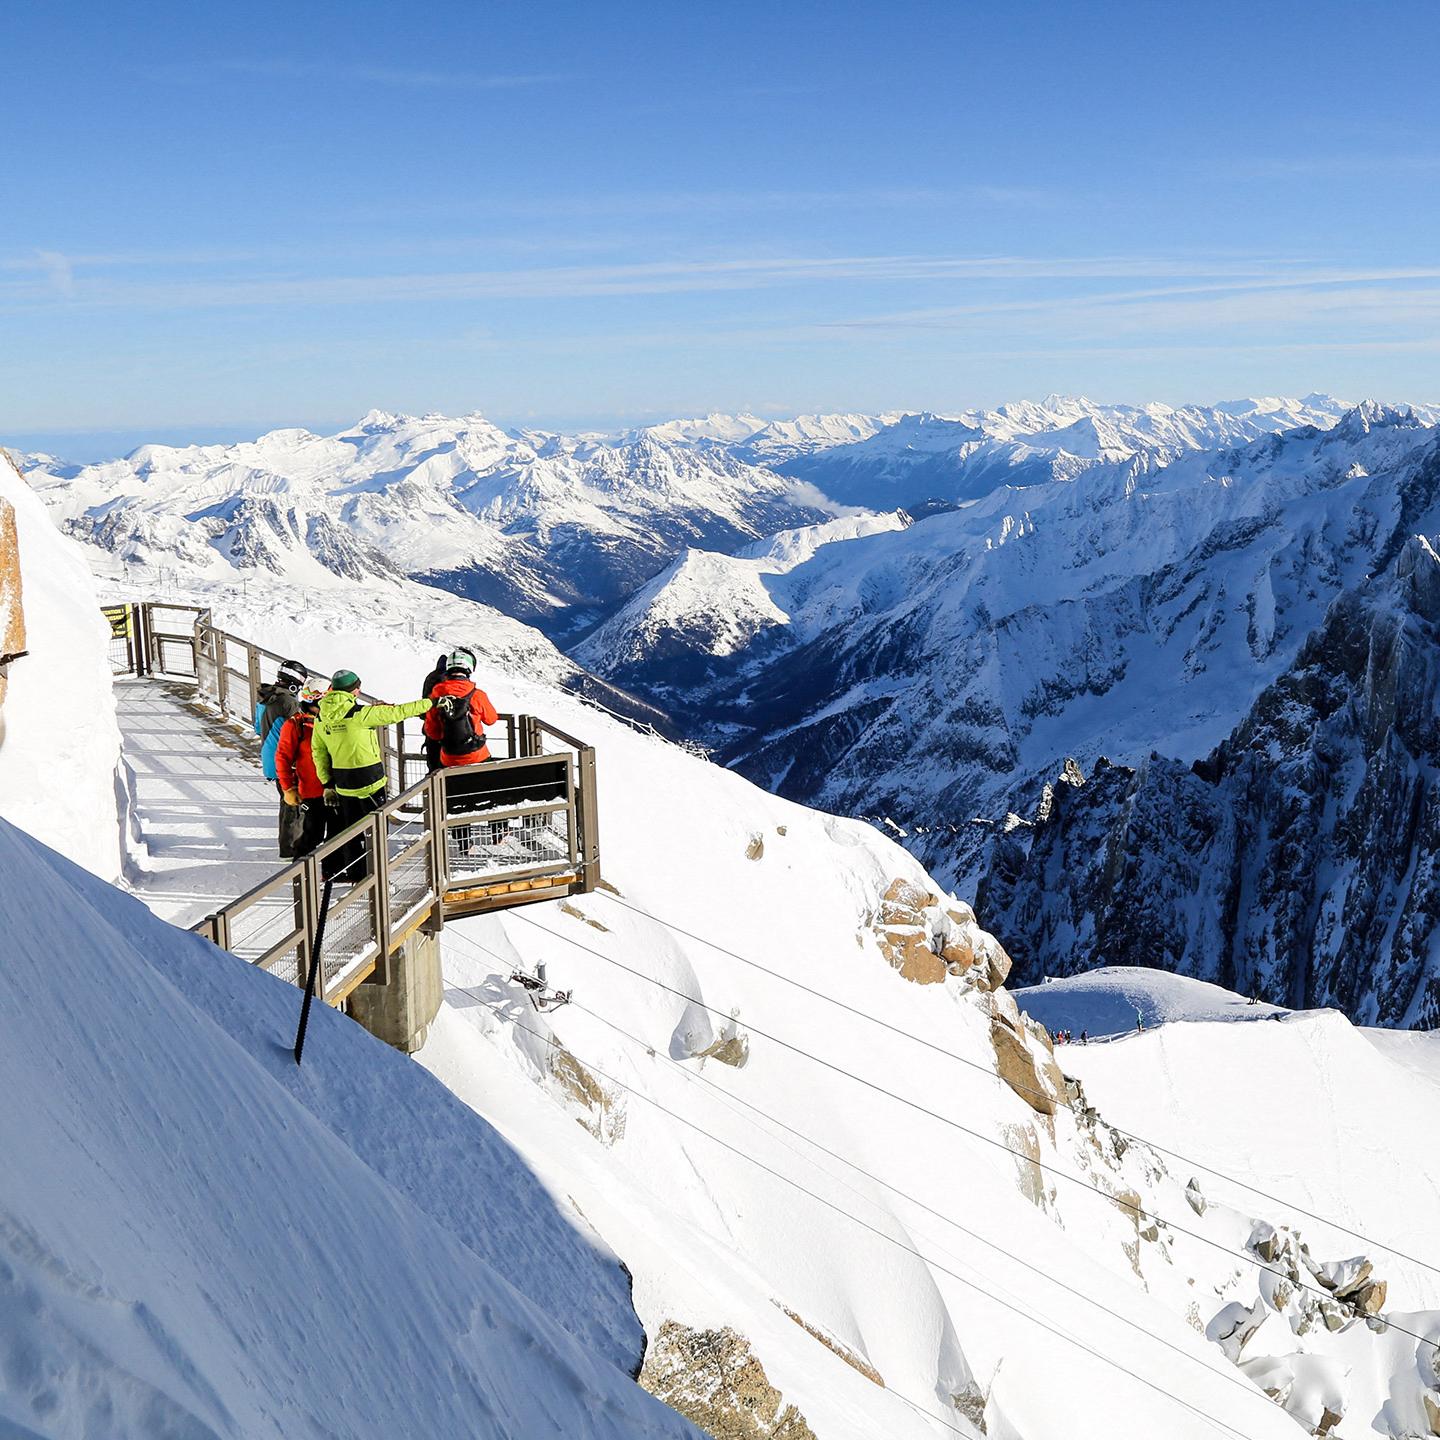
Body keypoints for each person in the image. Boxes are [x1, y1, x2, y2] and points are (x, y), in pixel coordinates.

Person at [311, 669, 443, 882]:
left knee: (351, 832)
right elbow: (400, 712)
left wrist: (327, 783)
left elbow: (318, 752)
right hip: (369, 781)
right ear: (355, 690)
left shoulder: (321, 718)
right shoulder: (362, 714)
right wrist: (432, 702)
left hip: (343, 784)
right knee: (377, 830)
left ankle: (358, 876)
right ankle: (379, 877)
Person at [423, 646, 500, 857]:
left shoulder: (436, 694)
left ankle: (465, 842)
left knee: (455, 799)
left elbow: (432, 731)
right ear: (469, 669)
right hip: (478, 755)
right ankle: (498, 831)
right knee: (493, 789)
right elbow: (492, 719)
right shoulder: (477, 694)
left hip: (449, 758)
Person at [254, 659, 307, 857]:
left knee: (287, 803)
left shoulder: (265, 699)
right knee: (294, 805)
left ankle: (288, 846)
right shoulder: (289, 702)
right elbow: (300, 731)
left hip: (271, 758)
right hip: (285, 761)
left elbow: (258, 728)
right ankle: (292, 850)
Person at [275, 684, 328, 859]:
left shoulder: (331, 720)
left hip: (335, 789)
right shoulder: (296, 724)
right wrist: (288, 788)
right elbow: (282, 758)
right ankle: (303, 878)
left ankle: (331, 875)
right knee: (311, 837)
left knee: (335, 837)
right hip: (311, 792)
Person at [420, 651, 449, 772]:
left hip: (429, 722)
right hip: (443, 724)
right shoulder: (446, 679)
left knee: (433, 766)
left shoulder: (430, 677)